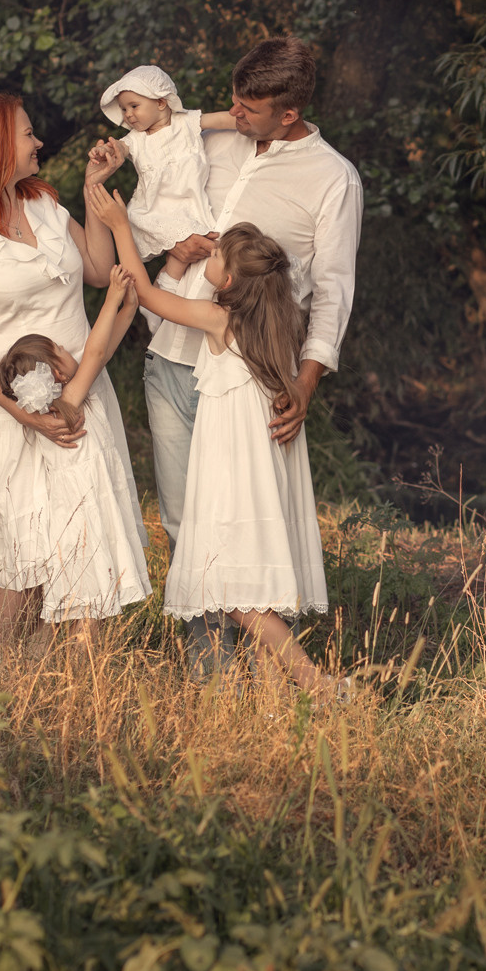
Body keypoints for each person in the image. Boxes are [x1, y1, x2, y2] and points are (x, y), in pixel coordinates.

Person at [92, 38, 362, 675]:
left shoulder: (332, 179)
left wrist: (305, 385)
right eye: (234, 103)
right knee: (186, 525)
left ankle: (275, 681)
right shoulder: (206, 140)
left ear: (287, 115)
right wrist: (170, 244)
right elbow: (161, 233)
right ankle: (212, 678)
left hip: (250, 380)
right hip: (173, 358)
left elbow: (333, 292)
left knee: (260, 522)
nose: (231, 116)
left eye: (247, 110)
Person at [89, 188, 339, 694]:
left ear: (226, 282)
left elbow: (148, 293)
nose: (212, 251)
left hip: (231, 474)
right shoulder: (278, 325)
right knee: (246, 586)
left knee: (236, 592)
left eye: (219, 253)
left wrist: (120, 225)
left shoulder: (221, 321)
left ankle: (319, 685)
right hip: (257, 472)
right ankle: (272, 699)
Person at [0, 94, 147, 652]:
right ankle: (9, 683)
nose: (39, 142)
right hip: (11, 408)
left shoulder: (47, 207)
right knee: (27, 559)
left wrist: (93, 187)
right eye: (28, 134)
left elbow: (99, 271)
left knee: (84, 537)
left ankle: (70, 681)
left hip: (80, 396)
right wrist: (24, 414)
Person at [0, 265, 150, 631]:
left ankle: (54, 670)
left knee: (78, 605)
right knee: (89, 610)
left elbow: (104, 348)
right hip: (84, 521)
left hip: (69, 522)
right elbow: (95, 353)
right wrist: (111, 297)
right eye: (60, 350)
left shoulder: (56, 409)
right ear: (57, 374)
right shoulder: (72, 401)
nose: (68, 350)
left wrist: (128, 307)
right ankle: (84, 679)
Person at [95, 64, 238, 260]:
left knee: (200, 240)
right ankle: (167, 283)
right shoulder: (136, 138)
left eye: (134, 106)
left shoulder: (186, 122)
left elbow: (219, 120)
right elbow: (119, 147)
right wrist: (105, 150)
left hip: (188, 198)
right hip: (154, 208)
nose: (128, 114)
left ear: (161, 102)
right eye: (123, 109)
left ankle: (180, 279)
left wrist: (245, 120)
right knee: (177, 250)